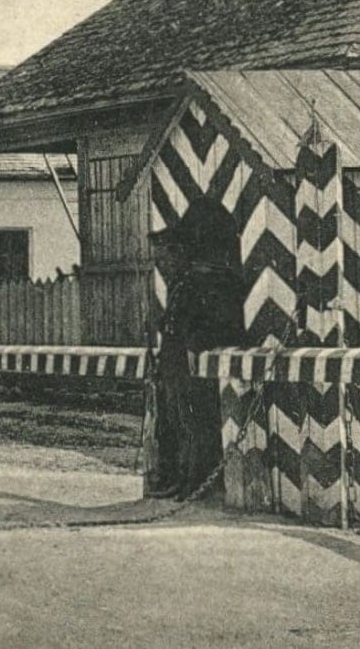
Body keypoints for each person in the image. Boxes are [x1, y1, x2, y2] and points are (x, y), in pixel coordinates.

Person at [148, 199, 248, 500]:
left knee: (193, 423)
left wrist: (192, 344)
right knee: (175, 422)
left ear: (180, 251)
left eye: (165, 255)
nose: (161, 263)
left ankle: (193, 482)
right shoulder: (184, 280)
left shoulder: (200, 279)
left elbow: (207, 322)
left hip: (186, 361)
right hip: (173, 360)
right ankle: (179, 479)